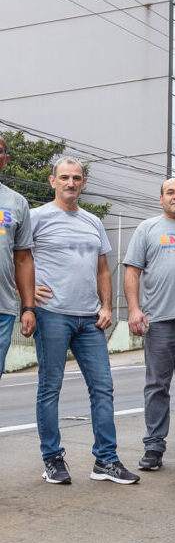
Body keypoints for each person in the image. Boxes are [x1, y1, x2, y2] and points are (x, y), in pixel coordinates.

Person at [32, 156, 139, 485]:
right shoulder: (35, 217)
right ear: (53, 181)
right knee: (50, 388)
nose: (71, 183)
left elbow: (102, 269)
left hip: (90, 319)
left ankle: (105, 460)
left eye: (77, 178)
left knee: (103, 389)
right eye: (64, 177)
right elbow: (14, 256)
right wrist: (25, 292)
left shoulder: (93, 222)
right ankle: (52, 459)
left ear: (83, 182)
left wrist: (107, 306)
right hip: (52, 315)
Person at [123, 178, 175, 471]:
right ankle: (154, 447)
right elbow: (133, 271)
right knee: (157, 385)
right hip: (158, 320)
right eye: (170, 192)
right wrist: (134, 309)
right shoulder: (148, 229)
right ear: (161, 199)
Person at [0, 135, 36, 376]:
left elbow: (23, 259)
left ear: (5, 159)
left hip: (2, 308)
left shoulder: (16, 202)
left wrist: (28, 307)